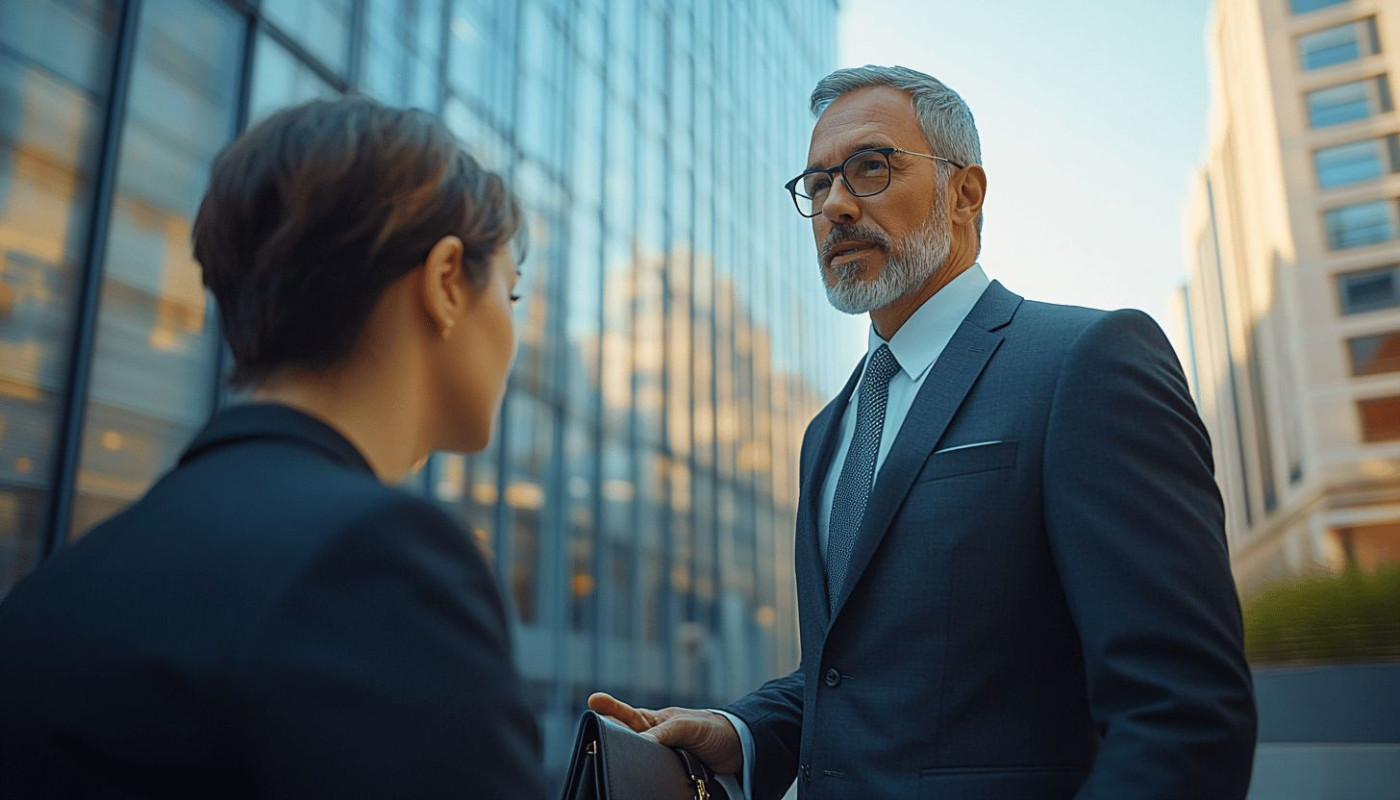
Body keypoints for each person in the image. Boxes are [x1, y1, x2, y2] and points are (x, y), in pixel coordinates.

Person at [589, 65, 1257, 799]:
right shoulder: (828, 430)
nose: (836, 204)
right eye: (817, 185)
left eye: (869, 168)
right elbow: (851, 672)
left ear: (965, 192)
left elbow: (1185, 713)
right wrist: (743, 732)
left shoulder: (1086, 363)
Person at [0, 97, 544, 799]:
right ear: (444, 283)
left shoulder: (61, 582)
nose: (513, 333)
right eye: (512, 293)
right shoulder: (381, 562)